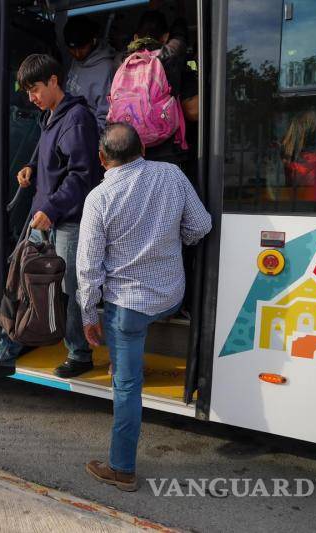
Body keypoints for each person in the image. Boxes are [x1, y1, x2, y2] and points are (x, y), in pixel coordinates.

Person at [77, 123, 211, 491]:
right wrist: (173, 241)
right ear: (144, 150)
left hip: (129, 308)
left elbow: (88, 267)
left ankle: (122, 469)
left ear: (102, 159)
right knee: (135, 345)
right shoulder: (172, 174)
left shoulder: (99, 198)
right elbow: (201, 225)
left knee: (127, 386)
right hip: (171, 297)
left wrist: (89, 315)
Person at [0, 53, 101, 381]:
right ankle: (5, 354)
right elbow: (47, 152)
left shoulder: (77, 118)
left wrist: (52, 209)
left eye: (35, 89)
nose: (31, 97)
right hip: (44, 218)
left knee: (68, 290)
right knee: (21, 284)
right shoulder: (51, 115)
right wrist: (30, 166)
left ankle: (80, 353)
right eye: (27, 91)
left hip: (65, 220)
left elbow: (81, 176)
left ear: (54, 81)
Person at [125, 10, 191, 164]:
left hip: (131, 146)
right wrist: (180, 10)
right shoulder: (170, 55)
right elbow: (180, 37)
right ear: (166, 37)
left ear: (135, 37)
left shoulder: (122, 61)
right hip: (165, 143)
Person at [63, 16, 117, 132]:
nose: (77, 54)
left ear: (93, 40)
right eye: (72, 49)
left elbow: (105, 119)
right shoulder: (77, 59)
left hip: (87, 134)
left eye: (81, 48)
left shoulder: (106, 69)